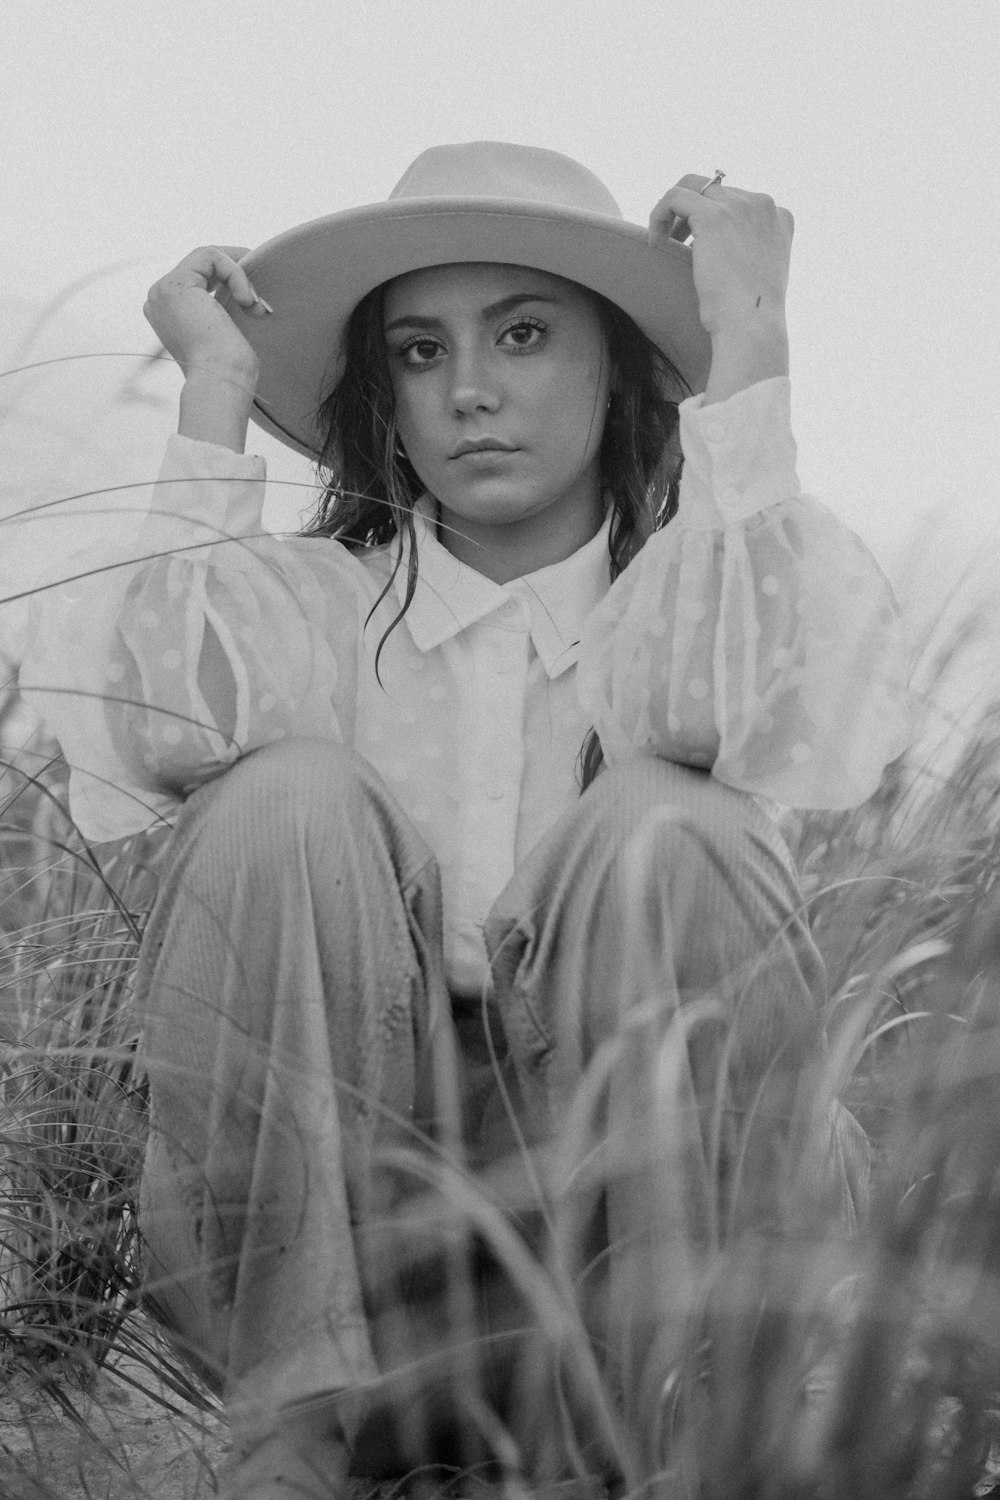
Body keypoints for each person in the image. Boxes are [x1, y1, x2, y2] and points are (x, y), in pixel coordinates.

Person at [21, 142, 912, 1498]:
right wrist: (214, 393)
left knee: (672, 821)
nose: (471, 391)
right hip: (360, 1264)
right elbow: (166, 729)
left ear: (618, 368)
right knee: (279, 792)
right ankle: (289, 1441)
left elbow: (751, 702)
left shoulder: (685, 616)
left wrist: (751, 338)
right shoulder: (304, 612)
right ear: (384, 397)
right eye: (423, 353)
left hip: (631, 1255)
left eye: (526, 334)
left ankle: (706, 1422)